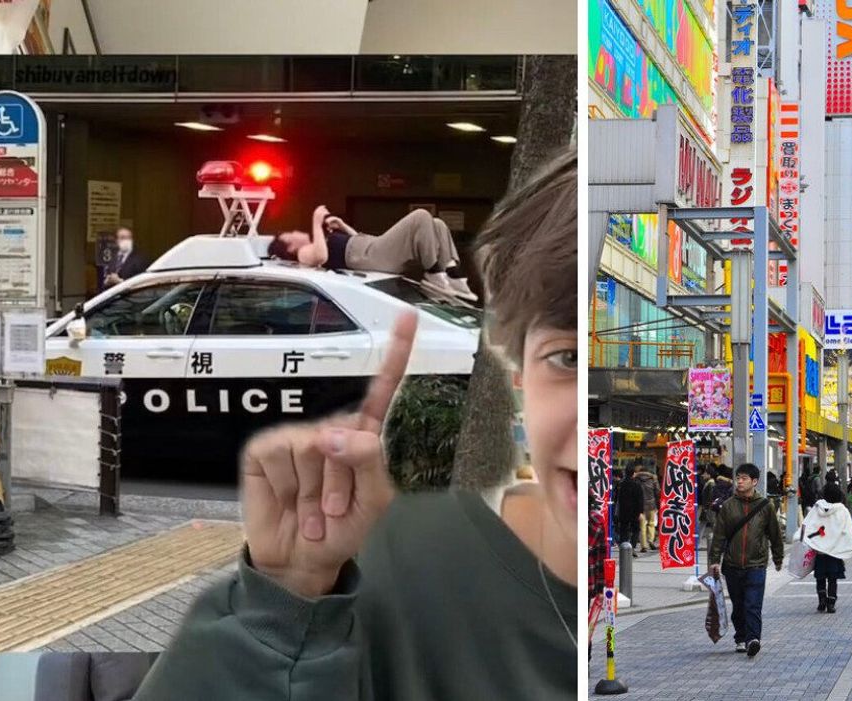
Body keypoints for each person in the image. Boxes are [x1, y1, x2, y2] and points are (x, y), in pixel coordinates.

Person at [133, 149, 577, 700]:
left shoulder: (413, 579)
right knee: (422, 221)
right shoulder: (399, 581)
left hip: (372, 251)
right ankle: (444, 272)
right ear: (519, 373)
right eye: (567, 358)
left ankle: (444, 271)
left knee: (425, 222)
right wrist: (284, 603)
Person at [268, 206, 476, 300]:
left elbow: (355, 240)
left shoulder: (318, 241)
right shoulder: (303, 253)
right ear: (290, 246)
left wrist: (342, 226)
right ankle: (434, 271)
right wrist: (316, 220)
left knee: (437, 224)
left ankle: (452, 272)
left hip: (371, 248)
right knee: (420, 216)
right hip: (372, 256)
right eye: (290, 234)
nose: (296, 232)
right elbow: (321, 257)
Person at [708, 462, 783, 657]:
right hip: (732, 565)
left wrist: (778, 557)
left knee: (753, 604)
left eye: (744, 478)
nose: (739, 482)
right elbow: (719, 535)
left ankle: (753, 639)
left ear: (754, 482)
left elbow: (775, 534)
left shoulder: (766, 506)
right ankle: (741, 637)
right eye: (738, 478)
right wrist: (714, 560)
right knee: (739, 605)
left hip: (756, 564)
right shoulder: (728, 506)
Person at [802, 483, 852, 614]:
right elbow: (848, 530)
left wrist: (806, 540)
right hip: (835, 551)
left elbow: (807, 525)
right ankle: (831, 603)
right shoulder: (842, 510)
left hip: (819, 551)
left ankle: (822, 599)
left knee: (820, 577)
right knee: (833, 578)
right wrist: (850, 546)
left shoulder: (817, 508)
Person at [614, 465, 644, 554]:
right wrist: (640, 512)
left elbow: (617, 498)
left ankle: (623, 547)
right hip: (635, 511)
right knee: (636, 529)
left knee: (623, 529)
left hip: (623, 511)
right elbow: (640, 500)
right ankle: (632, 547)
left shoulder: (621, 484)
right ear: (633, 474)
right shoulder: (637, 485)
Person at [635, 464, 659, 553]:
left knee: (642, 526)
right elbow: (657, 491)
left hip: (640, 506)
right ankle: (651, 540)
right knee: (651, 524)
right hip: (651, 504)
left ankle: (643, 546)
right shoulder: (653, 479)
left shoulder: (636, 479)